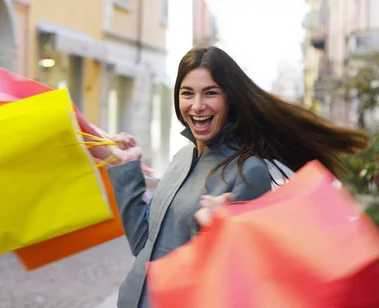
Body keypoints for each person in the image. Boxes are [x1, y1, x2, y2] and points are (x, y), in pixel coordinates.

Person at [106, 46, 369, 308]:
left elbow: (241, 283)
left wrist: (217, 232)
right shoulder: (181, 158)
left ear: (230, 99)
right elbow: (144, 242)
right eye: (187, 93)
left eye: (211, 93)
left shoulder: (249, 171)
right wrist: (129, 168)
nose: (197, 105)